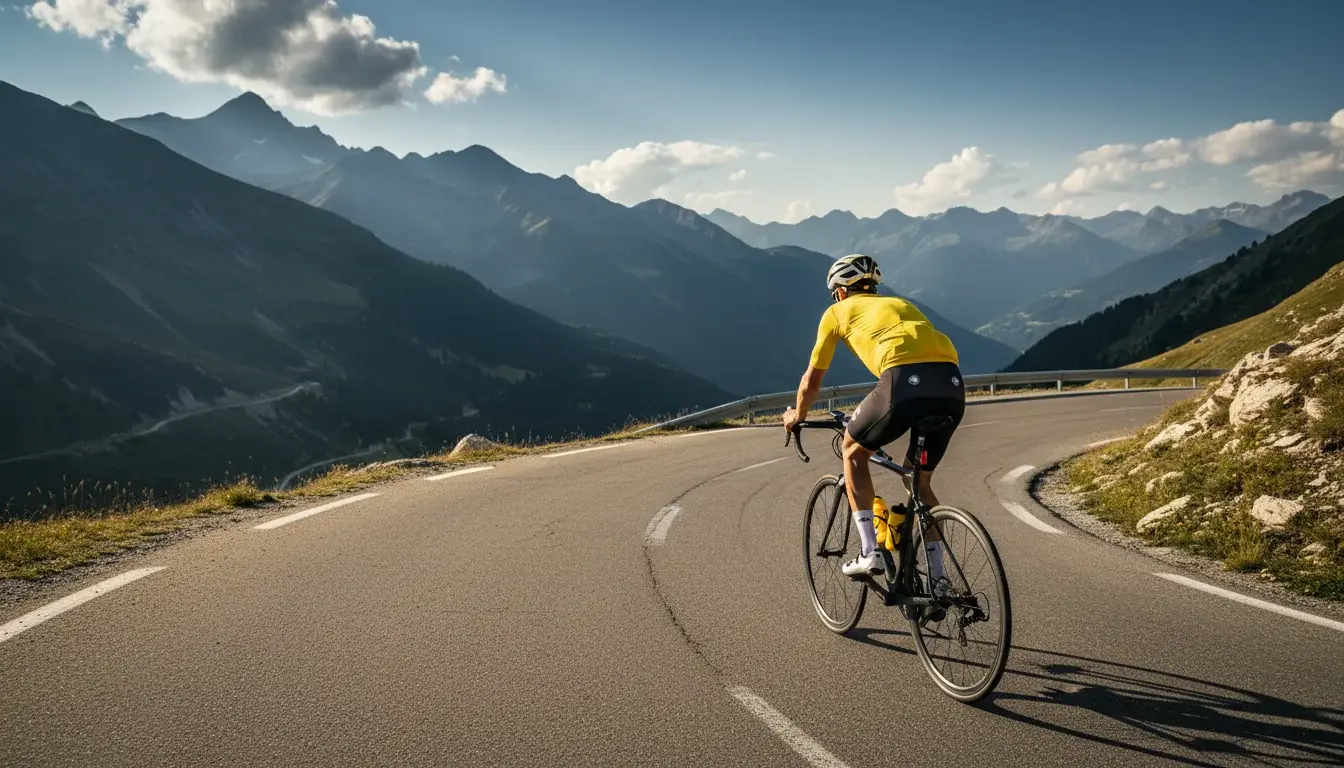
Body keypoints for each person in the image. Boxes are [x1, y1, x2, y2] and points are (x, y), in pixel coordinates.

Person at [782, 254, 965, 580]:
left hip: (902, 383)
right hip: (951, 385)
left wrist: (798, 414)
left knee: (853, 450)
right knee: (919, 482)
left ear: (839, 291)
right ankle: (940, 579)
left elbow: (812, 378)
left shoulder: (836, 312)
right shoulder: (901, 304)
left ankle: (870, 552)